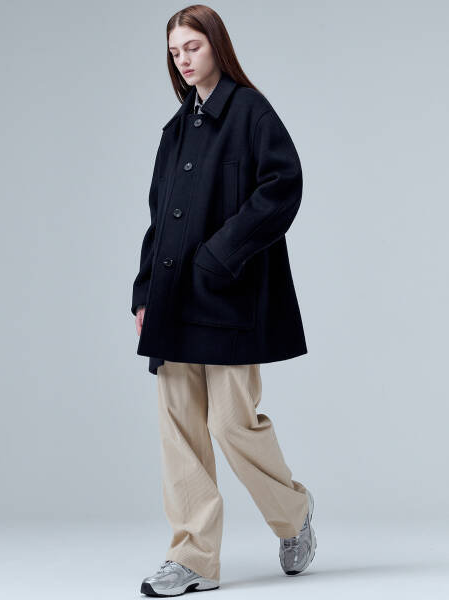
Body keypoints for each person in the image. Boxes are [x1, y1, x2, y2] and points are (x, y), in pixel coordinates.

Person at [131, 5, 316, 596]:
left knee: (232, 422)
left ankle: (293, 514)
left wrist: (219, 256)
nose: (183, 59)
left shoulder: (251, 111)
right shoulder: (175, 130)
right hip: (171, 298)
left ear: (216, 45)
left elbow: (283, 185)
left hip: (227, 293)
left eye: (192, 46)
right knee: (179, 429)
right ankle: (193, 559)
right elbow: (159, 219)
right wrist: (143, 293)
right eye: (174, 51)